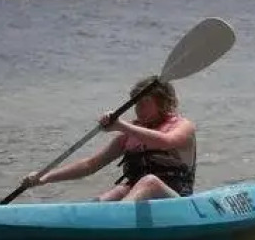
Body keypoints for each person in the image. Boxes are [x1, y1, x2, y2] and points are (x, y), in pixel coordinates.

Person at [21, 76, 197, 201]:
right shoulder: (130, 133)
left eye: (145, 102)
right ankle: (88, 219)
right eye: (136, 103)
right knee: (116, 192)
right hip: (138, 194)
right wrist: (45, 177)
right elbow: (91, 164)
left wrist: (121, 125)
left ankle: (119, 221)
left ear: (163, 103)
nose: (138, 109)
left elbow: (165, 141)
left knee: (149, 182)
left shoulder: (183, 126)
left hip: (177, 198)